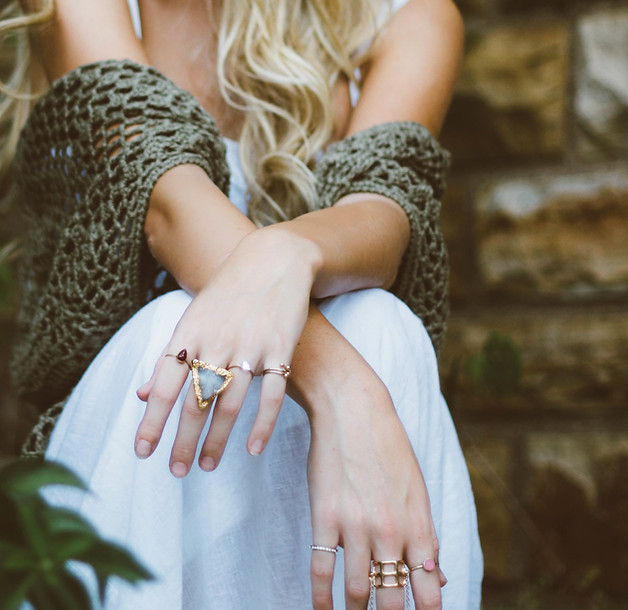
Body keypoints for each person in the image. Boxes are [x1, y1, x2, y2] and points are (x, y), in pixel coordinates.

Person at [2, 0, 482, 608]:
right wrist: (343, 390)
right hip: (142, 442)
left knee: (379, 322)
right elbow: (165, 203)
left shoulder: (405, 16)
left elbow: (385, 216)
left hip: (292, 463)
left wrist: (285, 253)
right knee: (175, 325)